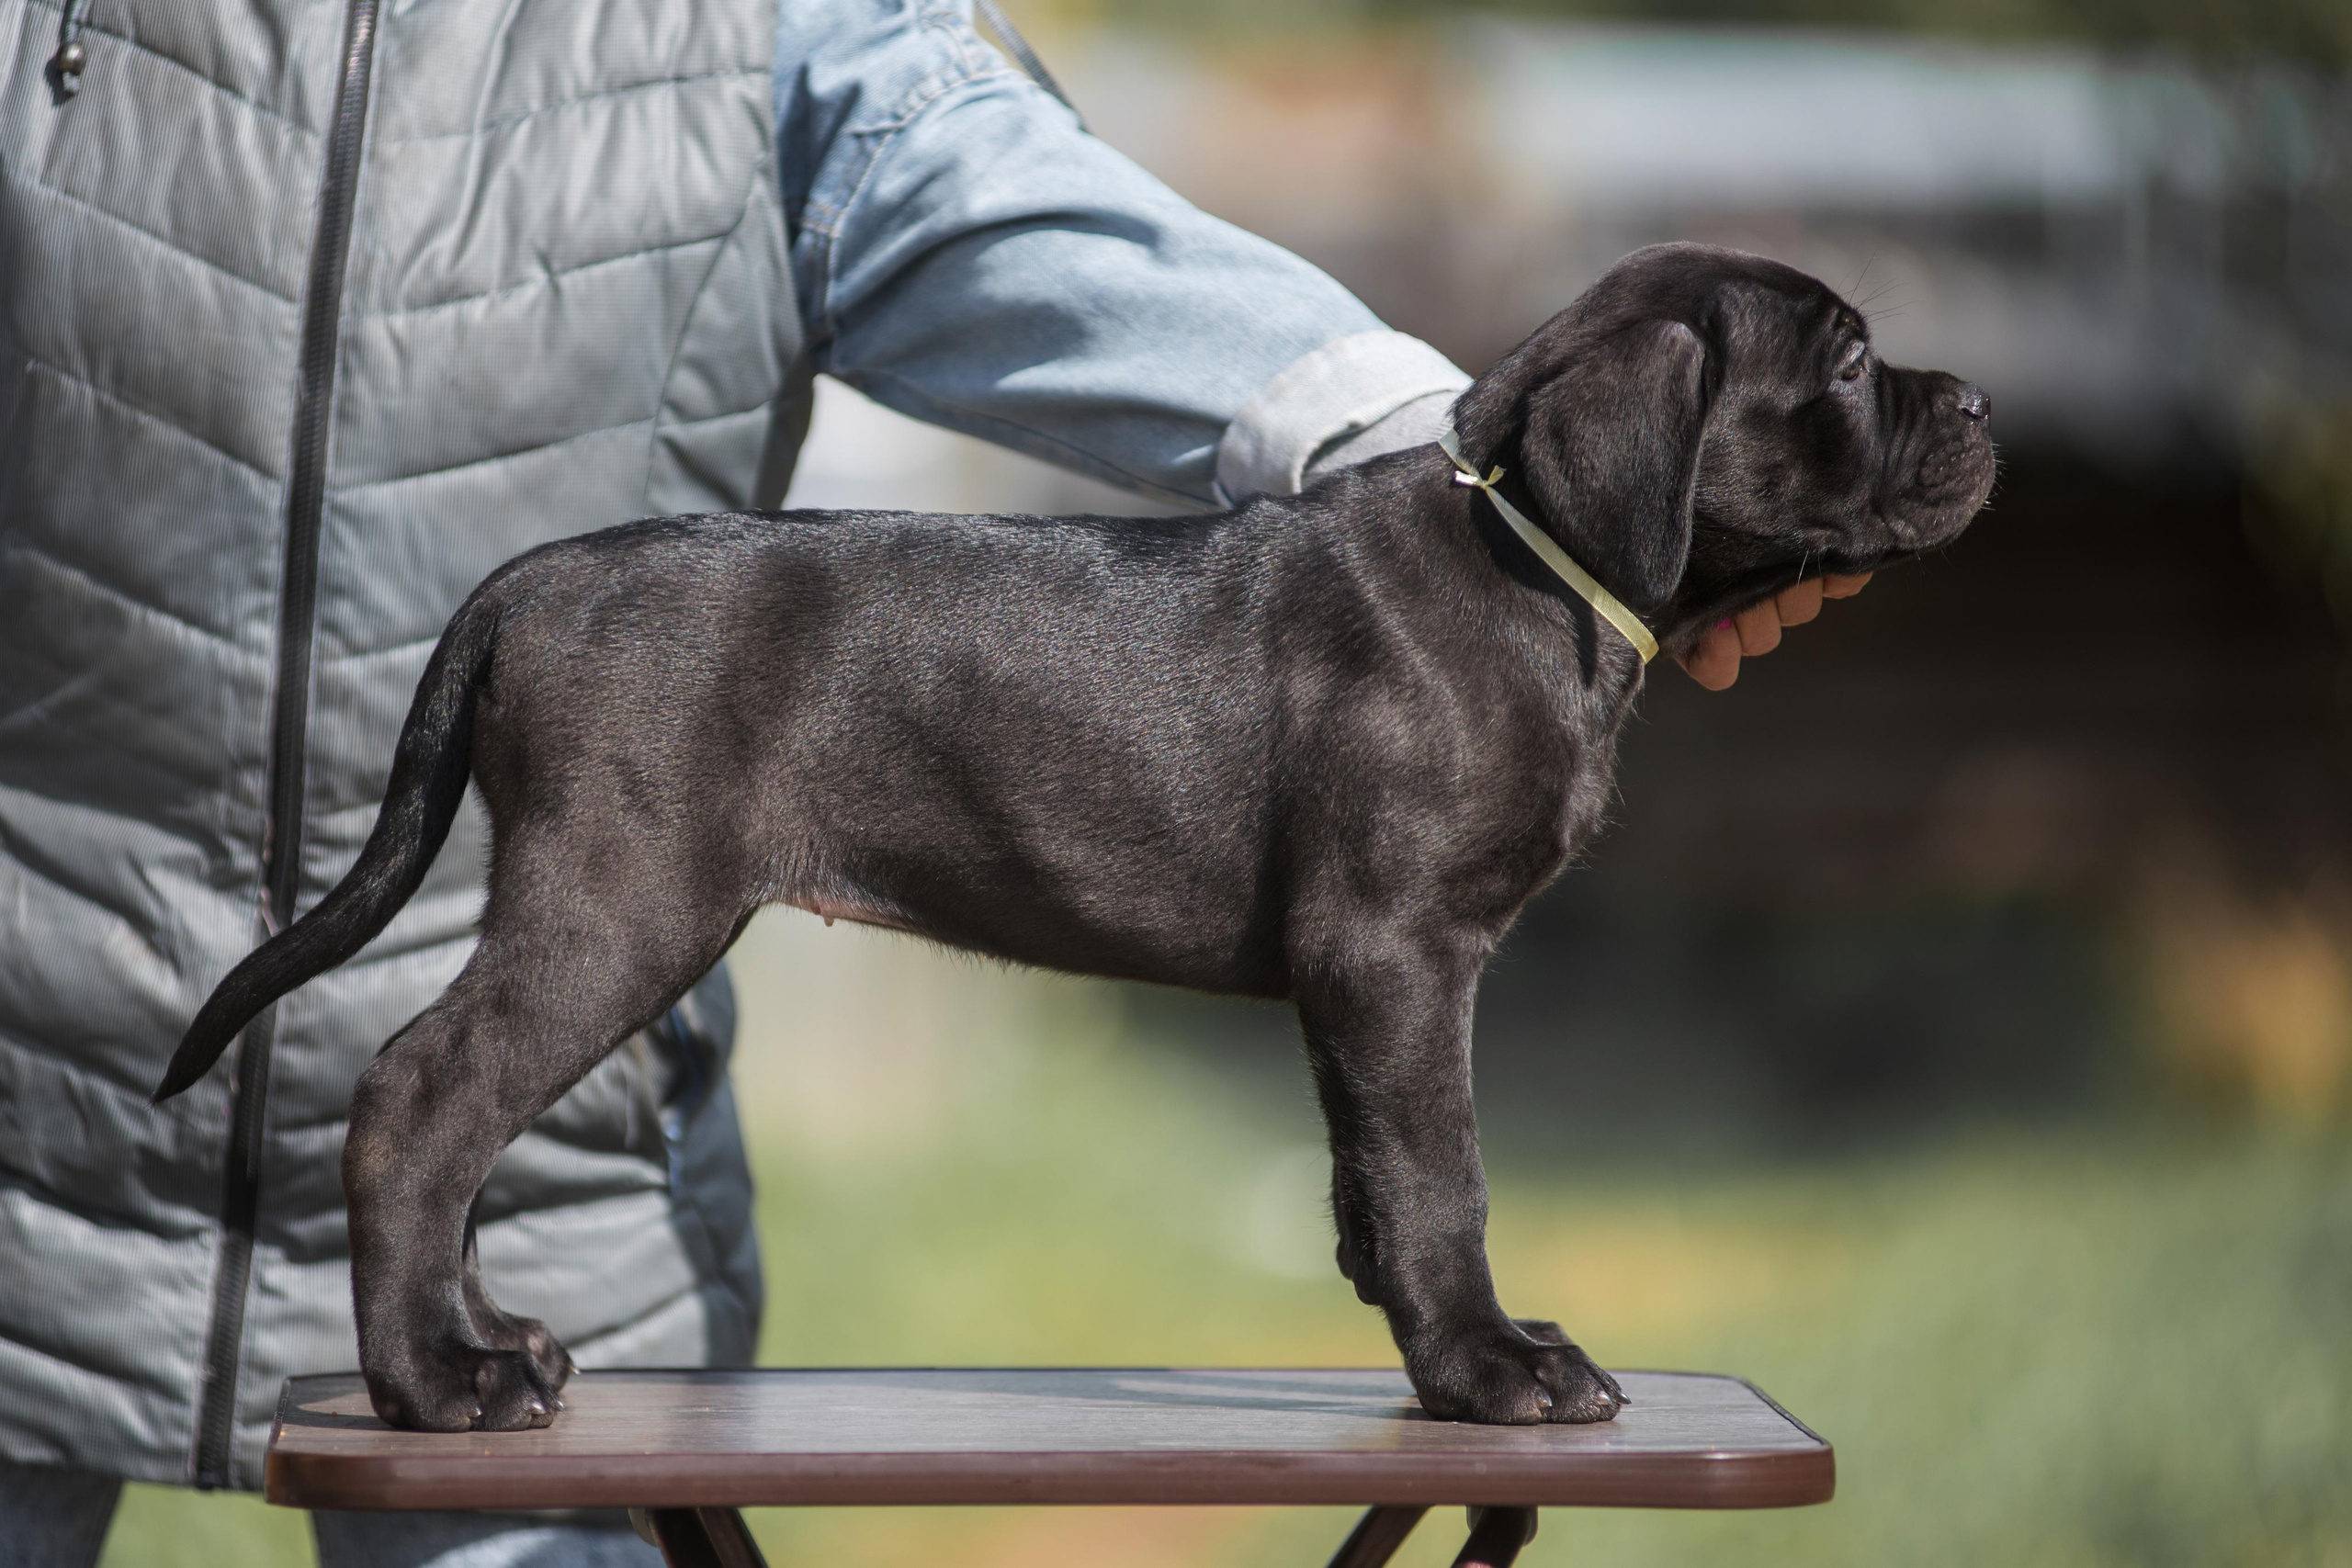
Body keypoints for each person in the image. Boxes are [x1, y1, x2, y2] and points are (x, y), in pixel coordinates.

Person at [0, 1, 1852, 1562]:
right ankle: (418, 1206)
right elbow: (1385, 955)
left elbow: (1021, 223)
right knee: (532, 992)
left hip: (582, 1261)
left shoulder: (769, 20)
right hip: (30, 1167)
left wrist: (1452, 454)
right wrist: (1448, 1309)